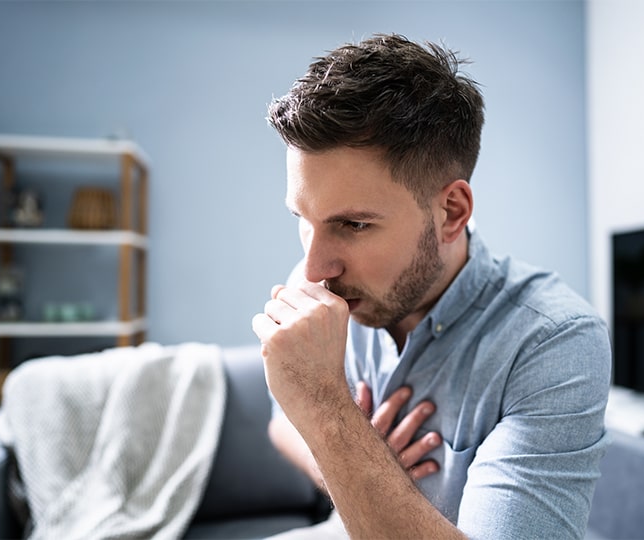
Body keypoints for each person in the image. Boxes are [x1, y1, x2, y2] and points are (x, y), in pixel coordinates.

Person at [252, 33, 611, 540]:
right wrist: (359, 455)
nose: (313, 270)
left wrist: (331, 416)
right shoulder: (325, 283)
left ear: (451, 212)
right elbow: (279, 424)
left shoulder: (554, 341)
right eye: (303, 219)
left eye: (353, 225)